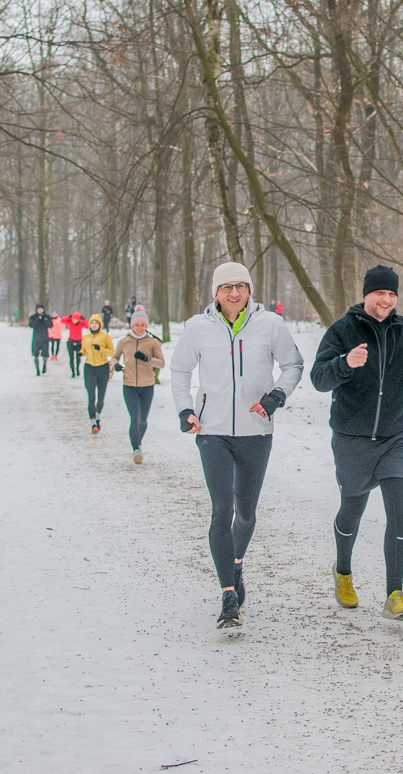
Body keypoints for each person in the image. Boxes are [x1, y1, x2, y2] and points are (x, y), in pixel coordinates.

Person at [309, 265, 403, 623]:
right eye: (379, 294)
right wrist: (345, 363)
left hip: (397, 437)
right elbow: (318, 378)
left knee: (398, 512)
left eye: (392, 294)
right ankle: (343, 571)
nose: (386, 300)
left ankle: (395, 593)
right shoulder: (342, 331)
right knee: (352, 510)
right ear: (366, 294)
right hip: (352, 439)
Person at [171, 261, 303, 629]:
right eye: (226, 287)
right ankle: (228, 595)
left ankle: (236, 563)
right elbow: (180, 370)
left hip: (256, 430)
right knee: (221, 508)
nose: (234, 293)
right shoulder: (197, 328)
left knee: (245, 512)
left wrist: (277, 395)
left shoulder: (271, 325)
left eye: (240, 286)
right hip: (211, 430)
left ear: (249, 291)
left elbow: (294, 365)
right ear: (215, 293)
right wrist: (185, 409)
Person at [113, 311, 165, 463]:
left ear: (146, 326)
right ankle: (136, 449)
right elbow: (115, 356)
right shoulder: (124, 342)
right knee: (135, 418)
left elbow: (161, 362)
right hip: (129, 385)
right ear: (132, 325)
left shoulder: (152, 343)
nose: (140, 328)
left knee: (143, 420)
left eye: (143, 325)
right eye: (137, 325)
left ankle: (138, 443)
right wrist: (115, 364)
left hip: (147, 386)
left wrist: (147, 359)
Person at [80, 314, 115, 433]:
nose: (94, 325)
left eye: (96, 323)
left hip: (103, 368)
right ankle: (93, 423)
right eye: (92, 323)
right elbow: (84, 351)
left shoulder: (105, 337)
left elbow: (112, 352)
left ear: (100, 325)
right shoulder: (86, 337)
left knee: (100, 397)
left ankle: (98, 416)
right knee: (91, 396)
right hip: (89, 368)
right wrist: (81, 353)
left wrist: (101, 349)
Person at [61, 311, 91, 377]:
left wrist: (84, 319)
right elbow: (62, 320)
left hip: (79, 343)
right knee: (71, 358)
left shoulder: (81, 323)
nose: (74, 321)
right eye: (73, 319)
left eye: (76, 320)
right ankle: (73, 372)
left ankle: (77, 368)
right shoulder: (69, 321)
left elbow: (88, 326)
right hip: (70, 342)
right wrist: (69, 316)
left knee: (78, 358)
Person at [27, 304, 52, 375]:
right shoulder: (33, 317)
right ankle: (37, 370)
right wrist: (37, 319)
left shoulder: (47, 317)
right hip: (36, 339)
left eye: (41, 309)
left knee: (45, 355)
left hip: (45, 339)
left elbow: (50, 325)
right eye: (39, 309)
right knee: (35, 355)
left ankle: (44, 366)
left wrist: (44, 320)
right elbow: (31, 325)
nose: (40, 310)